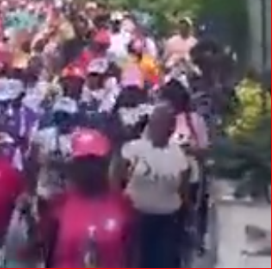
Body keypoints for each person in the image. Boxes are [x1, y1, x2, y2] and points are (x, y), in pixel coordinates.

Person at [44, 128, 135, 268]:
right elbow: (48, 256)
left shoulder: (122, 205)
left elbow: (132, 255)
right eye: (83, 161)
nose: (90, 168)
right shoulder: (58, 206)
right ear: (74, 165)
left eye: (95, 161)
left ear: (105, 164)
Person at [118, 104, 190, 267]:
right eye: (156, 122)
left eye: (166, 124)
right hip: (136, 217)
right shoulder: (134, 149)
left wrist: (185, 215)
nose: (161, 127)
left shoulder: (178, 154)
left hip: (166, 220)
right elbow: (117, 177)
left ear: (171, 128)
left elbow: (183, 189)